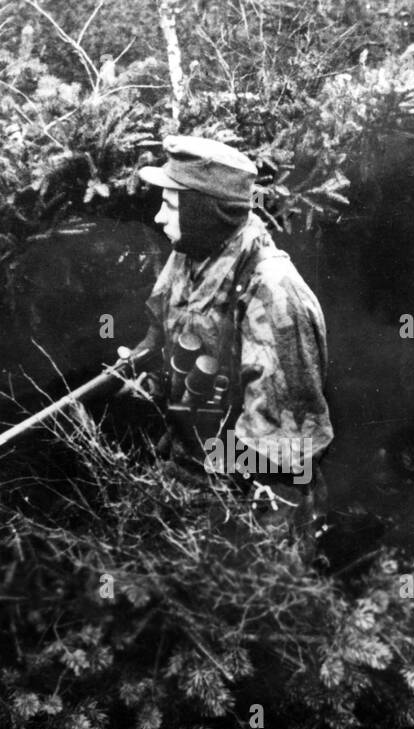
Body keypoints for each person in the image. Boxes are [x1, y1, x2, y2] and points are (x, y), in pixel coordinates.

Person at [130, 135, 333, 533]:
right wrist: (148, 379)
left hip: (259, 498)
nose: (158, 217)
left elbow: (285, 445)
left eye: (170, 205)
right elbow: (164, 337)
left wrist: (207, 481)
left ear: (206, 212)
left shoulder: (272, 290)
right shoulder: (188, 257)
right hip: (194, 470)